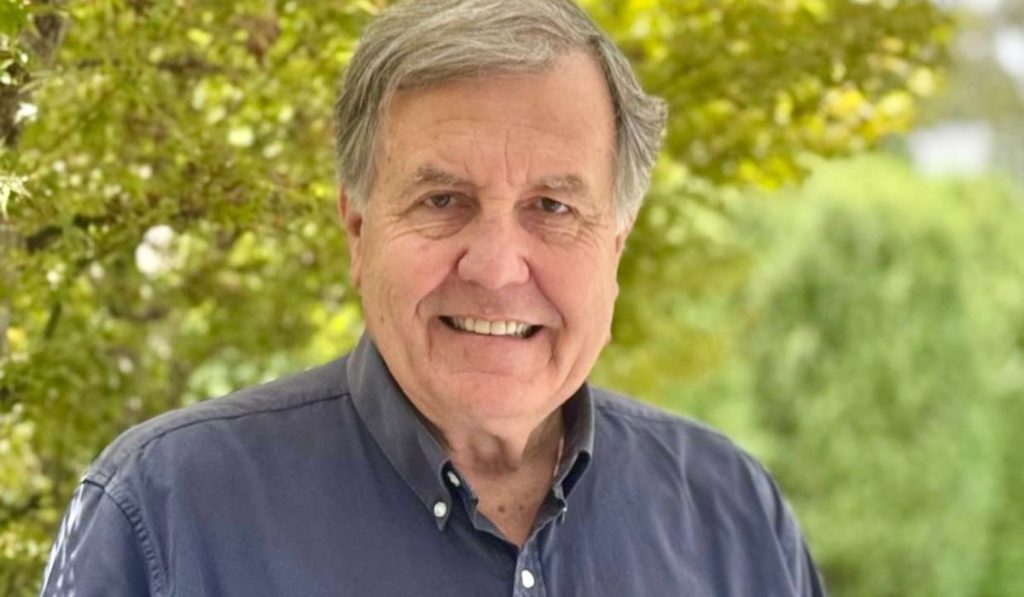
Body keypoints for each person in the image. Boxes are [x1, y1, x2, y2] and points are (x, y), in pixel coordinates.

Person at [41, 0, 826, 595]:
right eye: (443, 200)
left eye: (553, 206)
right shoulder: (166, 515)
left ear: (615, 245)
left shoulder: (734, 517)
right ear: (358, 230)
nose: (496, 267)